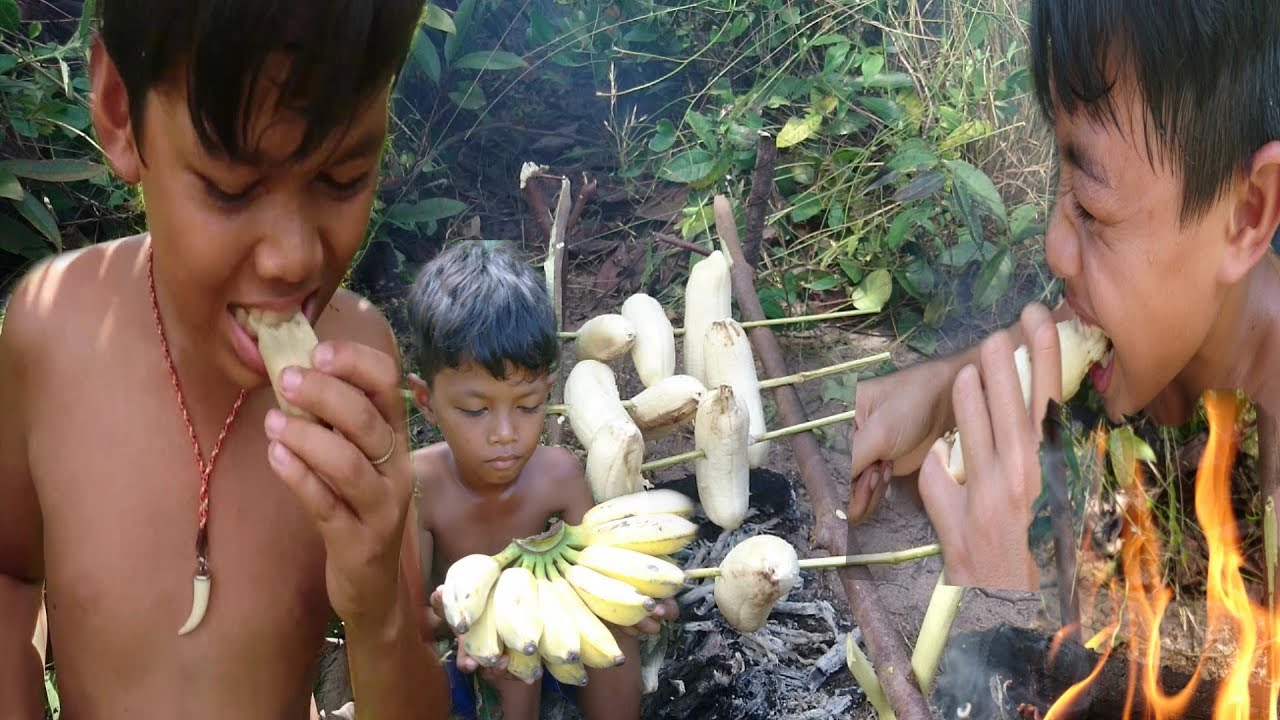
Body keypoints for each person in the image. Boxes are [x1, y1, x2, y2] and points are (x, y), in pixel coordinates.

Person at [0, 1, 450, 717]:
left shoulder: (359, 368)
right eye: (231, 189)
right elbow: (11, 576)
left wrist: (378, 616)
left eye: (343, 178)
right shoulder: (48, 336)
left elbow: (412, 686)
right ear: (121, 111)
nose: (294, 256)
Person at [846, 0, 1280, 590]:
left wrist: (1007, 591)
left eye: (1092, 206)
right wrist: (943, 393)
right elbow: (1058, 334)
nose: (1055, 247)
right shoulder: (1164, 321)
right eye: (1061, 178)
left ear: (1247, 214)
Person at [404, 241, 674, 720]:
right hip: (472, 662)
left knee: (616, 629)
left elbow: (599, 573)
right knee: (508, 663)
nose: (505, 434)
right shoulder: (420, 488)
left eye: (528, 406)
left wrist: (638, 601)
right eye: (475, 410)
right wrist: (470, 622)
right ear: (426, 400)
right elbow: (409, 621)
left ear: (548, 391)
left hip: (561, 642)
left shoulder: (558, 477)